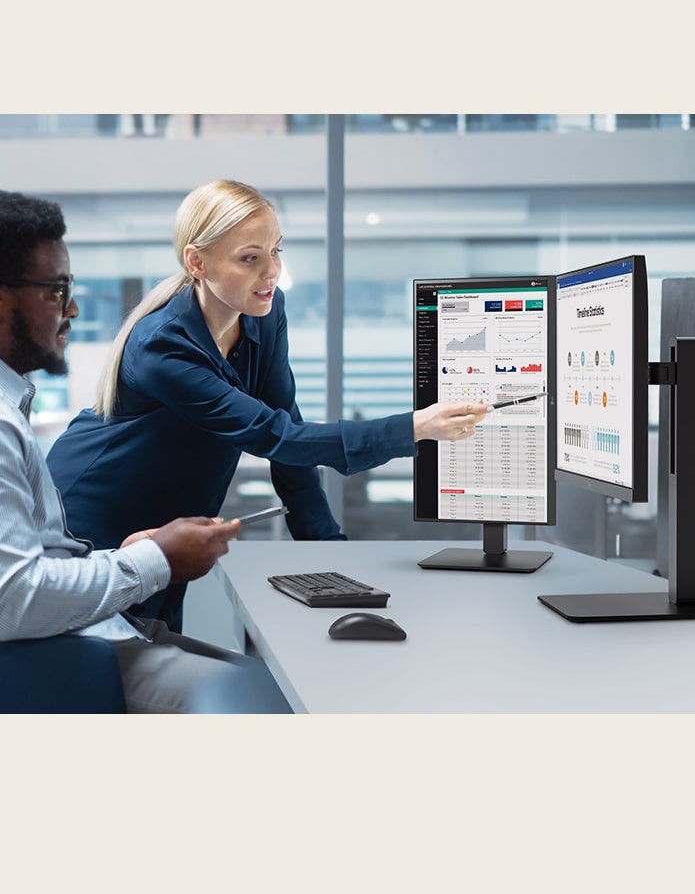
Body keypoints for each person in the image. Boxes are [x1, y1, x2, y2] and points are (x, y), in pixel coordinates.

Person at [47, 179, 488, 632]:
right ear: (197, 261)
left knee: (151, 659)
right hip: (92, 519)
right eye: (250, 258)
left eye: (276, 251)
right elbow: (273, 436)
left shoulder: (265, 314)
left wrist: (331, 557)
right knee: (114, 674)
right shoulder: (164, 345)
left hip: (165, 528)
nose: (271, 272)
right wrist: (412, 427)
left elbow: (287, 439)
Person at [0, 189, 292, 713]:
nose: (72, 308)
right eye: (55, 290)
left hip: (77, 633)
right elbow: (13, 599)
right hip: (51, 656)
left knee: (275, 683)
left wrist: (128, 556)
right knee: (273, 701)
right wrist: (154, 559)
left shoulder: (12, 404)